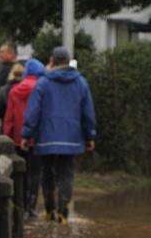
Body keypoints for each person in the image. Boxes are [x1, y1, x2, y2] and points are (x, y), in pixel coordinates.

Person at [21, 45, 96, 224]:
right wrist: (90, 136)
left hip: (46, 139)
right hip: (71, 138)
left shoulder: (43, 83)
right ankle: (63, 213)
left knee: (47, 173)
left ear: (52, 61)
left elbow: (33, 111)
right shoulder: (81, 83)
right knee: (66, 174)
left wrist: (26, 134)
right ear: (68, 61)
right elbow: (88, 111)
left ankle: (49, 210)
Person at [3, 55, 47, 216]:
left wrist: (7, 138)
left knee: (21, 172)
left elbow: (9, 118)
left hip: (17, 139)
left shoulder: (15, 91)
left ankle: (19, 205)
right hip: (37, 138)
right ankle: (31, 206)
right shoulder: (43, 89)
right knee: (35, 173)